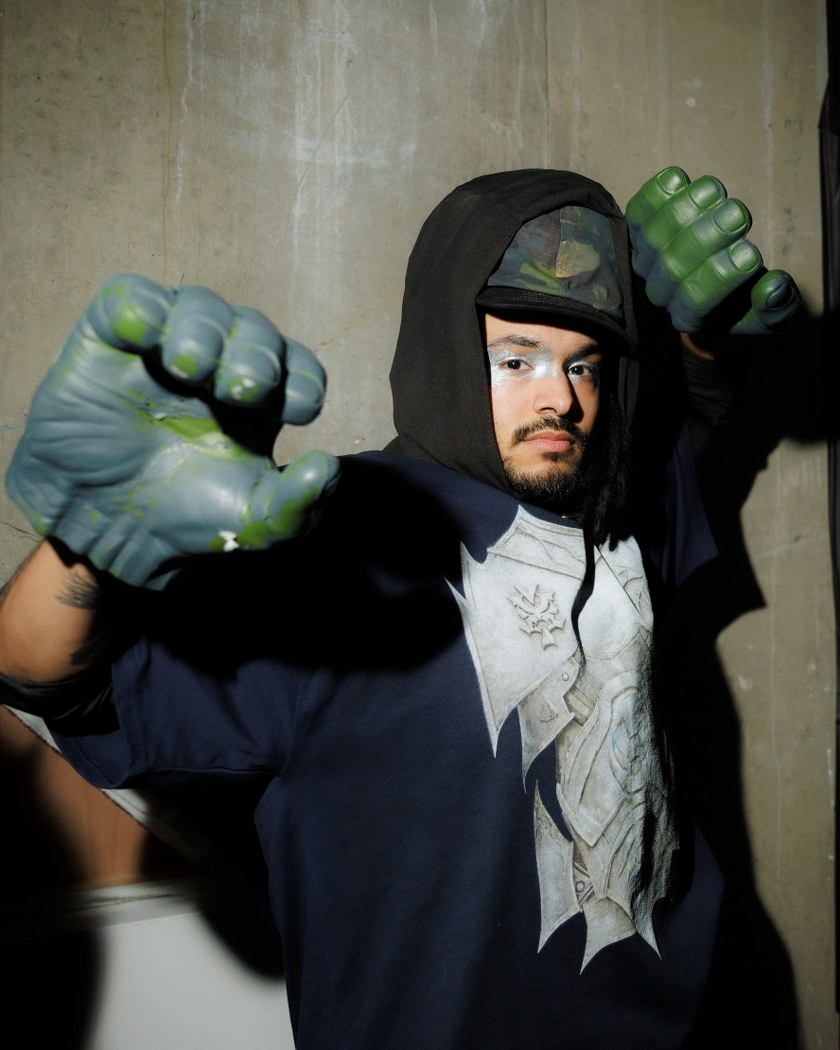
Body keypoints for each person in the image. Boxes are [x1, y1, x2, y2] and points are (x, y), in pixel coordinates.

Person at [0, 167, 799, 1048]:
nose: (559, 397)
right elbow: (48, 674)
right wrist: (89, 543)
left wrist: (705, 344)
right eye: (516, 359)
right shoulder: (344, 533)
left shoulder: (614, 504)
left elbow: (695, 426)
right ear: (445, 353)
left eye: (583, 365)